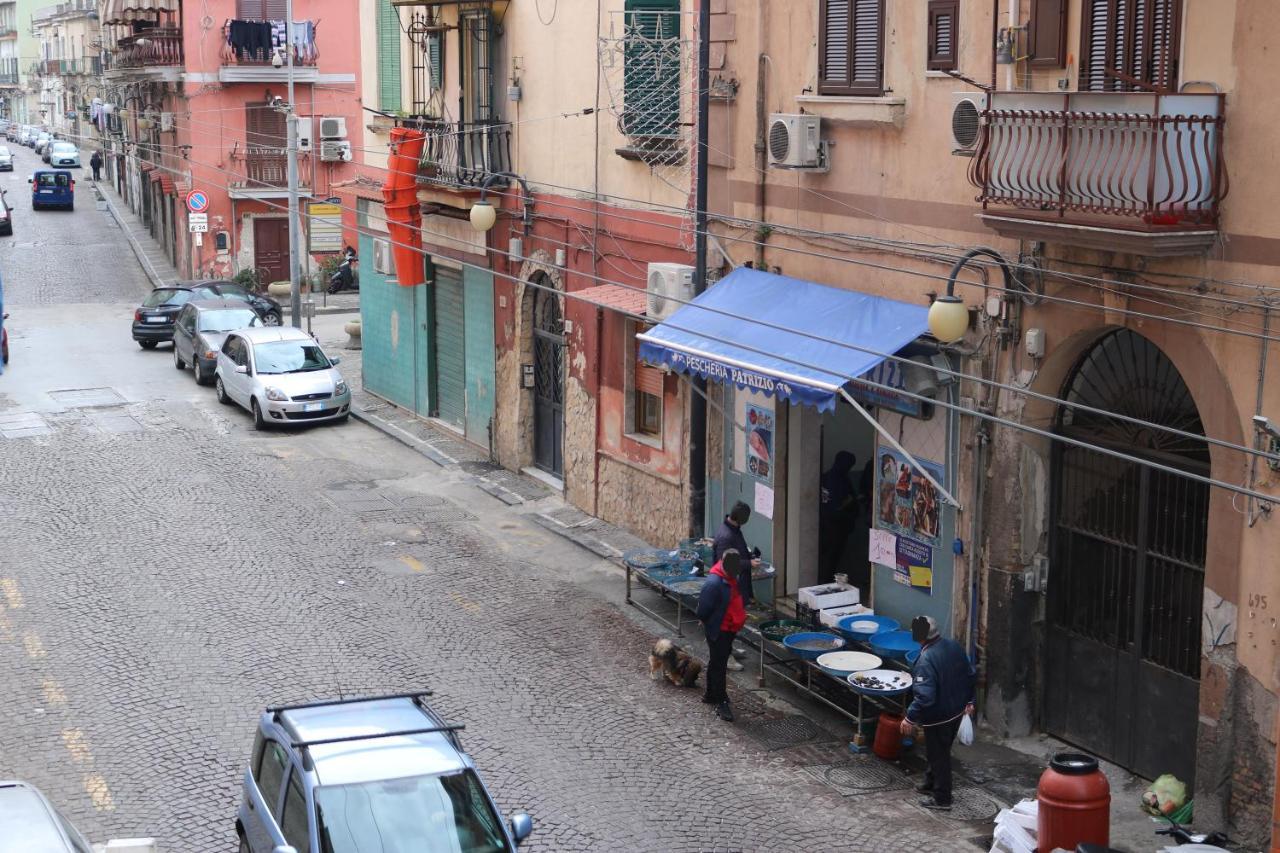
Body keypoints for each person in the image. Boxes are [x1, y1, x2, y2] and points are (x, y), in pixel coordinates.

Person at [900, 615, 976, 811]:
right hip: (956, 711)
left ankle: (942, 798)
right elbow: (969, 674)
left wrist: (910, 717)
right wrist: (969, 700)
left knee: (939, 756)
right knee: (939, 752)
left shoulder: (926, 659)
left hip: (939, 716)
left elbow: (925, 697)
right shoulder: (953, 646)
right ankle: (930, 783)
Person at [695, 549, 747, 723]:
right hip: (720, 631)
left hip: (729, 629)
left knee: (717, 662)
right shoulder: (714, 583)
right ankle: (721, 701)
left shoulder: (729, 576)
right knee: (719, 666)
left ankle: (711, 694)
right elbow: (703, 609)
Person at [818, 451, 858, 583]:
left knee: (826, 558)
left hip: (825, 523)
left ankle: (824, 581)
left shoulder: (826, 476)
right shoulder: (840, 480)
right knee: (830, 558)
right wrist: (849, 502)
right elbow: (840, 503)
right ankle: (825, 583)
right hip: (835, 526)